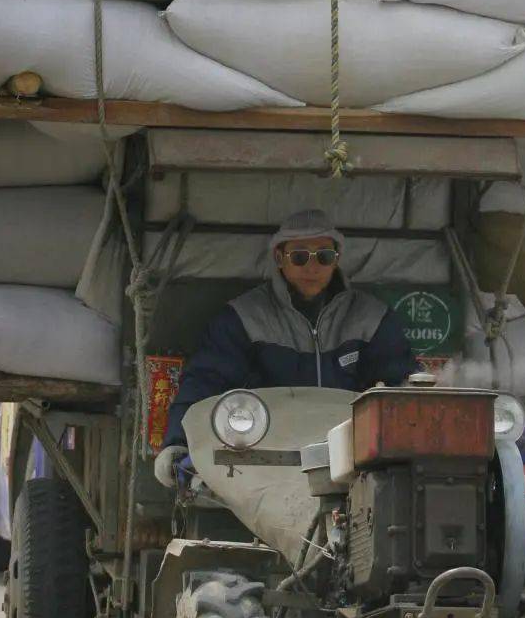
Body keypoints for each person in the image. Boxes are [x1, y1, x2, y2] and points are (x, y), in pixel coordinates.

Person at [155, 208, 419, 485]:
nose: (312, 267)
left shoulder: (372, 317)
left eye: (324, 257)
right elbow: (204, 382)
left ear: (337, 260)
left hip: (350, 468)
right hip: (261, 470)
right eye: (300, 256)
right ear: (279, 258)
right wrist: (177, 445)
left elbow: (400, 387)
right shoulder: (244, 317)